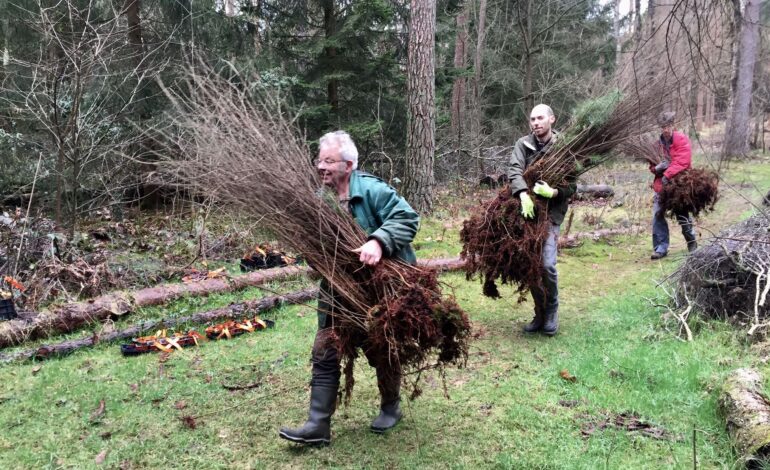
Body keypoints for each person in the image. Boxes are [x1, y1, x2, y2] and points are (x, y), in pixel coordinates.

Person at [279, 130, 419, 445]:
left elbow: (408, 219)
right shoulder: (318, 200)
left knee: (380, 349)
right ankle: (317, 426)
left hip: (378, 291)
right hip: (338, 292)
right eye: (319, 160)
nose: (321, 167)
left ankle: (391, 406)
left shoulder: (372, 190)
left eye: (329, 161)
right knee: (325, 349)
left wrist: (378, 241)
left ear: (349, 164)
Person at [507, 104, 575, 336]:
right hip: (527, 213)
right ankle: (540, 311)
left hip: (552, 212)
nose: (535, 123)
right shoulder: (522, 144)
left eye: (540, 118)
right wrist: (523, 194)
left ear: (552, 120)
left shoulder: (565, 147)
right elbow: (514, 171)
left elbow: (573, 184)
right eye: (532, 119)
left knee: (546, 264)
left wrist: (554, 192)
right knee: (531, 265)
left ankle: (552, 308)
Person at [649, 111, 697, 260]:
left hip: (678, 185)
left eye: (668, 126)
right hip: (661, 187)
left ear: (673, 125)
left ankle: (691, 242)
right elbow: (651, 165)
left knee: (682, 215)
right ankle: (660, 248)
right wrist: (656, 169)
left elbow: (683, 161)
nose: (666, 129)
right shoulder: (656, 145)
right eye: (663, 126)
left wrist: (667, 173)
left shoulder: (681, 139)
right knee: (658, 214)